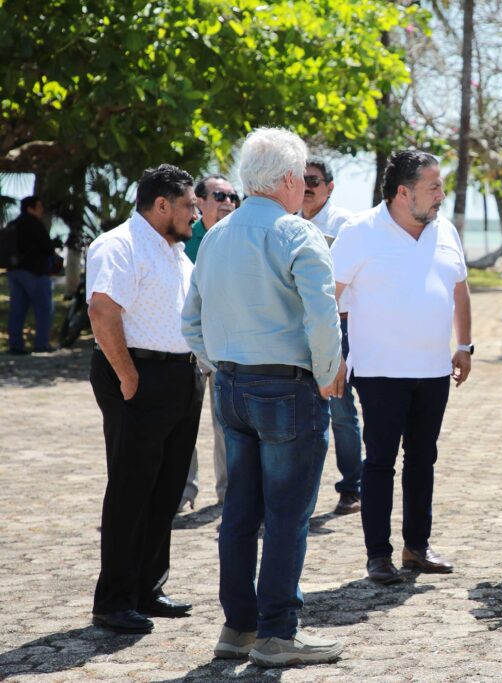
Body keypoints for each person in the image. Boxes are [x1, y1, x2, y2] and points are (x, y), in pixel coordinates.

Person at [182, 128, 345, 666]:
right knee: (286, 516)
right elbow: (323, 316)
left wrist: (220, 361)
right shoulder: (298, 234)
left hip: (230, 384)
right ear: (292, 180)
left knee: (239, 513)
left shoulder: (216, 236)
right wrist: (328, 374)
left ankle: (238, 629)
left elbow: (192, 321)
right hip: (287, 389)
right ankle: (278, 633)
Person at [331, 150, 472, 585]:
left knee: (423, 460)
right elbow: (327, 297)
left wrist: (464, 344)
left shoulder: (444, 229)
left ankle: (417, 546)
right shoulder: (359, 232)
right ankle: (378, 554)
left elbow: (460, 288)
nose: (441, 196)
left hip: (433, 371)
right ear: (402, 193)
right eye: (433, 187)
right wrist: (333, 356)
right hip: (378, 372)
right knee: (380, 463)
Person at [86, 165, 203, 635]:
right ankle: (113, 601)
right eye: (189, 205)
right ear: (161, 205)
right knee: (132, 490)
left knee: (167, 488)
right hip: (138, 375)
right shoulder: (119, 244)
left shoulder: (176, 251)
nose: (196, 214)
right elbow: (101, 310)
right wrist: (129, 378)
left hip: (180, 376)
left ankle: (147, 589)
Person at [300, 158, 362, 516]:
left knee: (341, 410)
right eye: (302, 178)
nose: (308, 185)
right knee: (304, 412)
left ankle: (351, 487)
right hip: (299, 328)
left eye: (315, 180)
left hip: (342, 326)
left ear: (330, 186)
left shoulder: (345, 225)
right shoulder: (287, 222)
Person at [178, 174, 238, 510]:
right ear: (199, 202)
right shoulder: (184, 237)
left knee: (226, 425)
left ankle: (229, 494)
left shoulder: (238, 237)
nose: (228, 201)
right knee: (184, 423)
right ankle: (184, 492)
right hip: (188, 344)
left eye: (233, 196)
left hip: (225, 342)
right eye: (219, 195)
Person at [5, 196, 58, 354]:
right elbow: (47, 248)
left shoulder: (13, 224)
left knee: (17, 310)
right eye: (39, 207)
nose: (42, 211)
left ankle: (15, 345)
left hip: (14, 271)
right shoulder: (34, 224)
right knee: (43, 309)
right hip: (34, 272)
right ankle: (41, 344)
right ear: (30, 208)